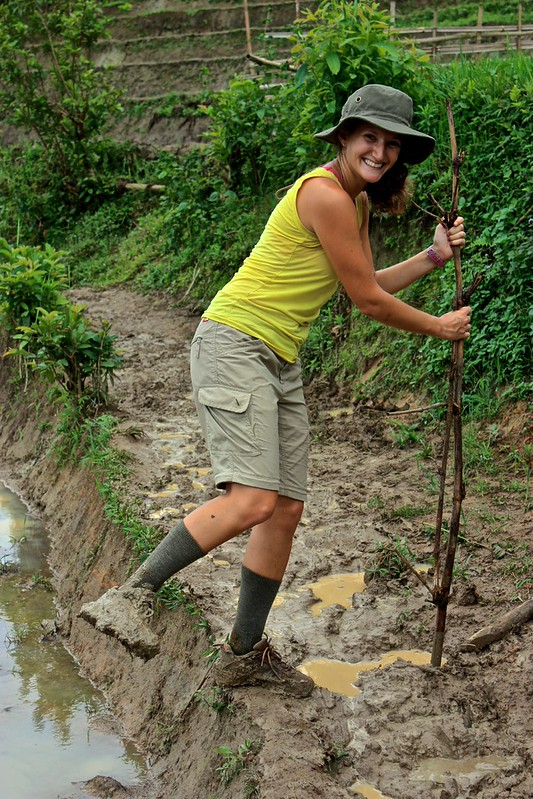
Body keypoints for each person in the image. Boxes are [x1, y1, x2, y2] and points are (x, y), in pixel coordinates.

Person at [80, 84, 470, 698]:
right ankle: (130, 596)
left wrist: (431, 256)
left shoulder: (354, 203)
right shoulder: (324, 195)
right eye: (370, 137)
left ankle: (242, 652)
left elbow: (359, 284)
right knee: (253, 500)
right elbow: (370, 303)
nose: (381, 151)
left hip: (278, 360)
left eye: (392, 144)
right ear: (343, 138)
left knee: (284, 510)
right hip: (235, 344)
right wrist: (440, 327)